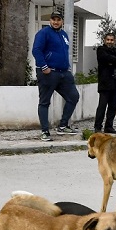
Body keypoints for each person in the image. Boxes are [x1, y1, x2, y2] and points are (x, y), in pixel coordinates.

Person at [32, 9, 80, 142]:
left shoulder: (64, 34)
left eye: (58, 19)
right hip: (48, 73)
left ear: (62, 21)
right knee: (44, 102)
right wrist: (44, 66)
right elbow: (36, 50)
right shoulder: (43, 33)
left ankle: (63, 125)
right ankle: (45, 131)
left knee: (73, 96)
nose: (56, 22)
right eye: (53, 19)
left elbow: (64, 52)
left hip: (63, 73)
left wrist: (67, 67)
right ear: (50, 21)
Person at [93, 32, 116, 133]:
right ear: (104, 40)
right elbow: (104, 58)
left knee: (113, 107)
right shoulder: (101, 49)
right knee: (102, 106)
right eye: (108, 40)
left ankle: (109, 126)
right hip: (105, 83)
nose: (110, 42)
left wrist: (112, 62)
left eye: (111, 40)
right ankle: (97, 127)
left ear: (114, 41)